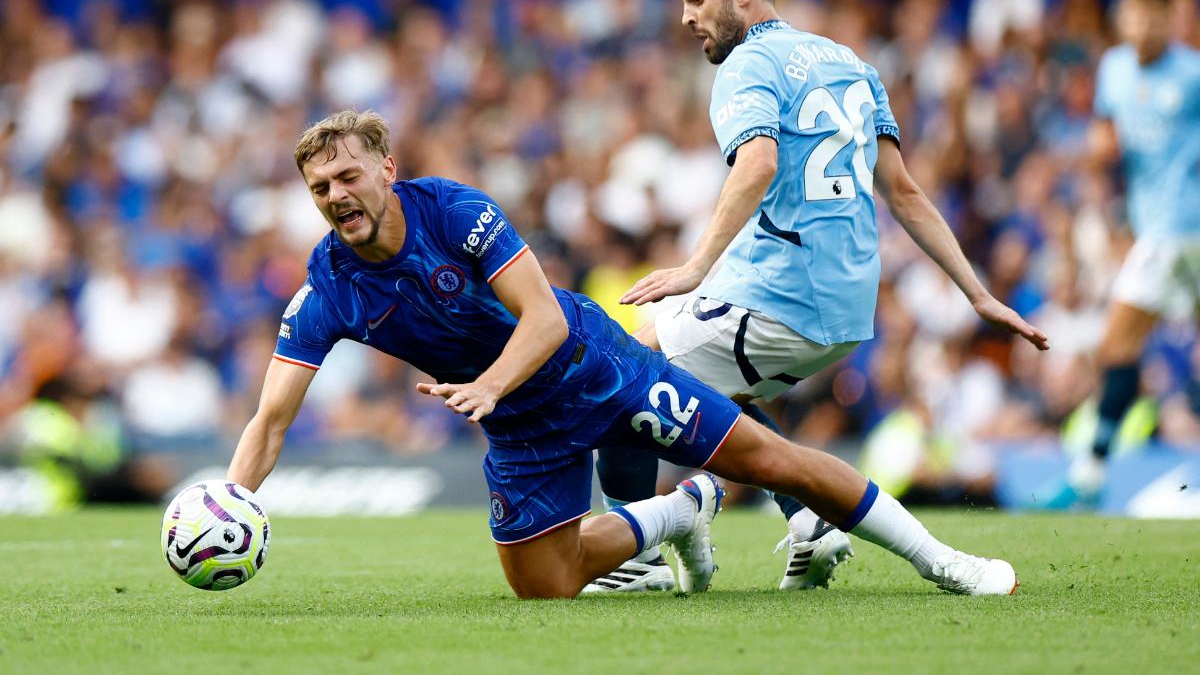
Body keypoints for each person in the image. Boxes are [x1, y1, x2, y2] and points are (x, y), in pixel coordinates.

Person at [226, 108, 1021, 599]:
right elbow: (271, 419)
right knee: (546, 586)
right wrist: (230, 502)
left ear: (386, 171)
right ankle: (682, 512)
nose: (335, 197)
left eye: (346, 176)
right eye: (319, 189)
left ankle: (945, 561)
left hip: (590, 367)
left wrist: (489, 386)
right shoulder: (328, 287)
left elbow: (539, 317)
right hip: (517, 421)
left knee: (770, 460)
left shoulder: (456, 211)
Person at [589, 0, 1048, 594]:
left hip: (781, 297)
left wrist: (692, 268)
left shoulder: (748, 63)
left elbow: (758, 163)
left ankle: (639, 560)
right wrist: (975, 293)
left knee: (621, 377)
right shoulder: (849, 62)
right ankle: (806, 520)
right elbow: (905, 192)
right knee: (702, 390)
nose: (686, 16)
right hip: (845, 308)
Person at [1062, 0, 1200, 504]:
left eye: (1154, 19)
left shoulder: (1192, 75)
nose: (1144, 29)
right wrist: (1095, 159)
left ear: (1171, 20)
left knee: (1116, 344)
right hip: (1154, 226)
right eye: (1134, 19)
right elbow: (1106, 135)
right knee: (1120, 346)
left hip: (1180, 228)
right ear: (1123, 21)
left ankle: (1090, 474)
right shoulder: (1115, 69)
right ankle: (1093, 471)